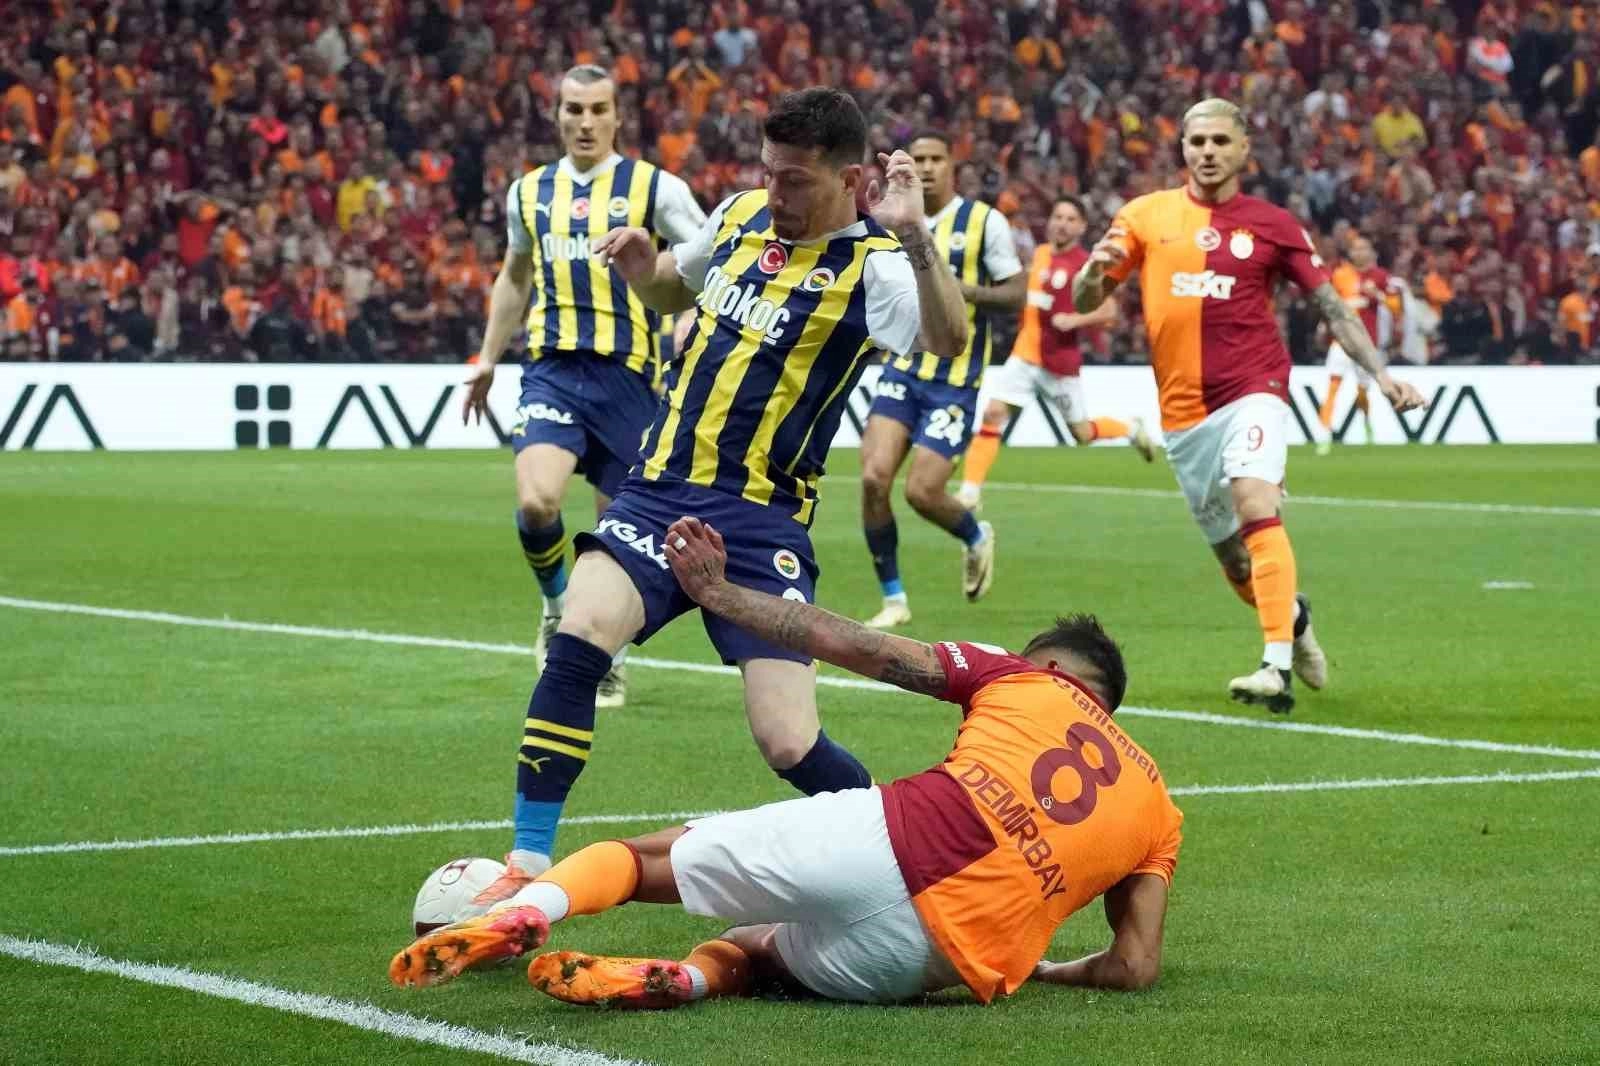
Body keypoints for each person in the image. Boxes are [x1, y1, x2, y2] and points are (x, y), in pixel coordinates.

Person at [464, 88, 970, 906]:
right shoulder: (738, 217)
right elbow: (677, 287)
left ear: (850, 180)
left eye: (795, 180)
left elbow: (948, 337)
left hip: (762, 521)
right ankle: (525, 865)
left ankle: (907, 860)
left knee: (788, 741)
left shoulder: (876, 264)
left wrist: (915, 236)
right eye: (768, 171)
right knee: (580, 636)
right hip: (658, 492)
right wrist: (644, 268)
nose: (775, 192)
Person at [390, 515, 1182, 1009]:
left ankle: (522, 911)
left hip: (898, 838)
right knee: (756, 949)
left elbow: (860, 646)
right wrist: (1045, 971)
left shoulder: (1021, 679)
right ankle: (691, 981)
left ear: (1053, 670)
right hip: (938, 959)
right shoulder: (1158, 811)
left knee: (639, 861)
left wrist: (722, 596)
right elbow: (1134, 966)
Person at [1073, 98, 1426, 713]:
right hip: (1183, 414)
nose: (1207, 152)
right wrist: (1089, 276)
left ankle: (1274, 666)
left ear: (1244, 150)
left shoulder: (1273, 225)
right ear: (1183, 149)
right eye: (1197, 141)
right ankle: (1296, 621)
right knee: (1235, 560)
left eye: (1219, 141)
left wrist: (1381, 374)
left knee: (1257, 502)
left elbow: (1333, 308)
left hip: (1253, 390)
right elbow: (1088, 296)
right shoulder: (1144, 215)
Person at [461, 65, 707, 710]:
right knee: (537, 502)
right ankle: (554, 606)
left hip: (630, 378)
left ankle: (609, 659)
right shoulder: (528, 192)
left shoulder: (655, 187)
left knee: (615, 535)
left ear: (617, 116)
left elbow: (714, 256)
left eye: (598, 109)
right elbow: (515, 275)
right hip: (553, 369)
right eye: (574, 109)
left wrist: (689, 316)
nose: (586, 122)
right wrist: (488, 357)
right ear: (558, 115)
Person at [857, 132, 1025, 631]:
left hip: (955, 380)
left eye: (936, 159)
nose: (927, 167)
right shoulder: (888, 218)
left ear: (953, 166)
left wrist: (961, 291)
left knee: (922, 492)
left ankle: (975, 536)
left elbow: (1016, 292)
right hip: (902, 369)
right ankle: (894, 599)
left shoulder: (984, 222)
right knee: (873, 479)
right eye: (919, 159)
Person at [957, 196, 1156, 511]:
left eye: (1070, 219)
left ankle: (1130, 429)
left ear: (1082, 227)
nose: (1061, 224)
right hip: (1024, 356)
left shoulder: (1084, 263)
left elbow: (1109, 309)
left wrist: (1075, 320)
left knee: (1081, 433)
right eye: (1057, 217)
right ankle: (969, 493)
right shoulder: (1038, 255)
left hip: (1059, 363)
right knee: (993, 414)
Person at [1316, 236, 1403, 454]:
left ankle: (1366, 422)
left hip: (1366, 344)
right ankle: (1323, 435)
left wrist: (1378, 295)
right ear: (1351, 253)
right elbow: (1326, 302)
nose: (1360, 253)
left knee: (1363, 390)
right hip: (1341, 340)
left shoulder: (1380, 276)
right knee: (1333, 386)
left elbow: (1395, 307)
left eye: (1364, 248)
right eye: (1356, 249)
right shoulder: (1339, 274)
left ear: (1371, 252)